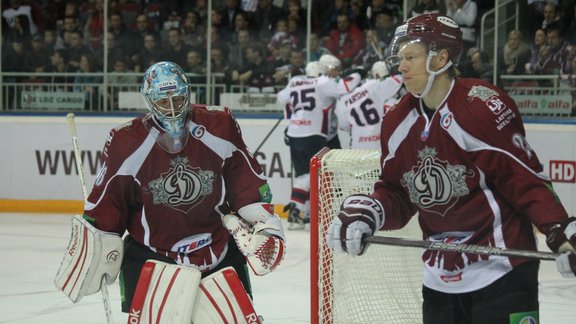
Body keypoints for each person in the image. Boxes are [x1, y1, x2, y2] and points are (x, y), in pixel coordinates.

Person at [326, 13, 576, 323]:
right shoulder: (395, 122)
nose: (401, 66)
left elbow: (522, 178)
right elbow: (397, 193)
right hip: (440, 280)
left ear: (441, 57)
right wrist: (372, 211)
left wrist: (557, 229)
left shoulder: (481, 106)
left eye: (411, 57)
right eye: (401, 57)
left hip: (502, 271)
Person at [55, 61, 286, 319]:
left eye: (178, 98)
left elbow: (244, 180)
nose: (173, 108)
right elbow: (109, 202)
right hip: (155, 260)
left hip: (217, 252)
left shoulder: (219, 125)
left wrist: (265, 222)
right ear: (149, 102)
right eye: (164, 102)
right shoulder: (126, 142)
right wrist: (96, 242)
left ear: (187, 93)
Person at [277, 55, 363, 229]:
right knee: (316, 174)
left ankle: (302, 212)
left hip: (295, 132)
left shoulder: (295, 81)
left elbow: (281, 98)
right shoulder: (323, 83)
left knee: (303, 174)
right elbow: (346, 86)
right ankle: (298, 208)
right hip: (315, 134)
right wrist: (359, 73)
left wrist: (292, 119)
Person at [335, 61, 404, 149]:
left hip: (357, 147)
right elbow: (398, 79)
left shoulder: (342, 100)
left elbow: (344, 126)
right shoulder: (373, 86)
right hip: (379, 145)